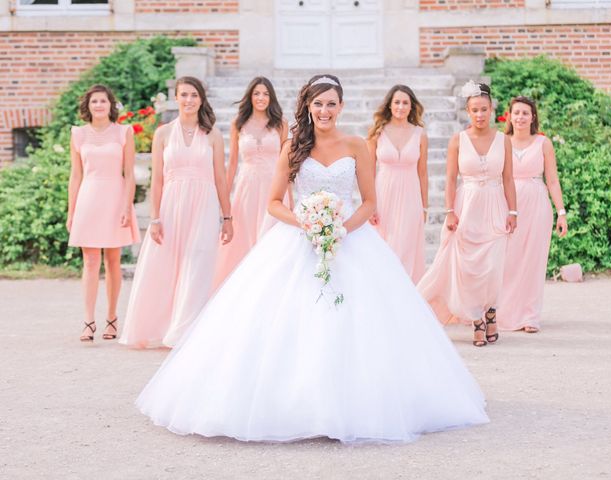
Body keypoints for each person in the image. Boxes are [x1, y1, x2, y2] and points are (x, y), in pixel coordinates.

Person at [136, 74, 488, 444]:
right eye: (318, 104)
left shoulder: (356, 145)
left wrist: (340, 230)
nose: (325, 111)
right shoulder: (292, 147)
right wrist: (307, 223)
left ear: (341, 106)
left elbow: (369, 201)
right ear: (307, 107)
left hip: (349, 238)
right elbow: (274, 202)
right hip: (297, 238)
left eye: (331, 103)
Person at [119, 77, 232, 348]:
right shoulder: (163, 134)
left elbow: (220, 178)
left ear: (201, 99)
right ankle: (160, 326)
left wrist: (227, 217)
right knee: (166, 265)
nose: (189, 100)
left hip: (203, 205)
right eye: (184, 95)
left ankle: (186, 331)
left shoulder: (213, 135)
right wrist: (155, 218)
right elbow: (156, 180)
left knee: (197, 263)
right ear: (177, 98)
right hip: (171, 205)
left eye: (194, 95)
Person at [417, 81, 517, 347]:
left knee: (493, 266)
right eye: (475, 110)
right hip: (467, 206)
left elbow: (508, 179)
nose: (480, 115)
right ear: (468, 111)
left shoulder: (503, 140)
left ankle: (491, 311)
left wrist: (513, 211)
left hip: (495, 205)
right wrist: (450, 212)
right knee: (469, 267)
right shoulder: (457, 140)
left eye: (484, 109)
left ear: (492, 109)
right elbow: (450, 179)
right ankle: (477, 320)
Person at [67, 84, 139, 342]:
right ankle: (88, 321)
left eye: (103, 101)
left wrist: (126, 206)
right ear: (88, 106)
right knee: (89, 261)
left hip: (115, 197)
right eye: (94, 101)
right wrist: (71, 210)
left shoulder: (124, 133)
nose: (99, 105)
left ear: (111, 105)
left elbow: (130, 174)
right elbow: (75, 176)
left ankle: (112, 318)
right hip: (88, 198)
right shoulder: (77, 134)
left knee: (112, 260)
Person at [499, 96, 568, 333]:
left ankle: (529, 316)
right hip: (508, 206)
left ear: (533, 117)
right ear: (509, 116)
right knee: (507, 260)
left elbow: (552, 180)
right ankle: (503, 313)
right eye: (516, 113)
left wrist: (561, 212)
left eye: (525, 113)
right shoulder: (502, 142)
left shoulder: (543, 143)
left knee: (533, 261)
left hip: (537, 205)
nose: (520, 117)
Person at [212, 77, 288, 290]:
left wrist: (290, 194)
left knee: (271, 238)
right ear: (250, 97)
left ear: (271, 97)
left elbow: (286, 162)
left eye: (265, 94)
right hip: (247, 188)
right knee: (244, 239)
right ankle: (244, 288)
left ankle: (271, 287)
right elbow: (233, 163)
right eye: (257, 93)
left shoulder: (281, 123)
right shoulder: (238, 124)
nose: (261, 98)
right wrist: (224, 200)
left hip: (273, 187)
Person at [367, 85, 428, 283]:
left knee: (407, 245)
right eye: (397, 102)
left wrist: (424, 206)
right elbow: (368, 170)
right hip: (384, 194)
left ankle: (406, 293)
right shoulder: (377, 132)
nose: (401, 107)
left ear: (412, 107)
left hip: (411, 196)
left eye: (405, 103)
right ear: (390, 105)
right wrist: (369, 205)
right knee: (386, 245)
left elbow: (423, 173)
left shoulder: (420, 134)